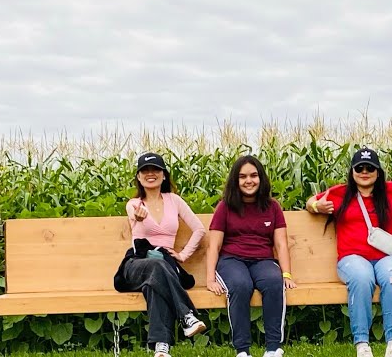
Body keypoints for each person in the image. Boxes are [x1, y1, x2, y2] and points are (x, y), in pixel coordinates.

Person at [305, 148, 392, 357]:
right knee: (361, 277)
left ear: (378, 171)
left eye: (370, 168)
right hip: (352, 258)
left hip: (388, 256)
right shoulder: (339, 193)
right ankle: (362, 344)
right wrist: (316, 206)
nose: (364, 172)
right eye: (359, 167)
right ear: (352, 171)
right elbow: (310, 201)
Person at [112, 152, 209, 357]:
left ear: (164, 175)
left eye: (155, 170)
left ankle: (161, 347)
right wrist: (138, 217)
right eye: (144, 171)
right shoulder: (134, 204)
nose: (150, 174)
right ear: (138, 177)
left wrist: (182, 255)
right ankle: (187, 315)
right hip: (137, 262)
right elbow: (133, 213)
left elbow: (199, 229)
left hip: (165, 263)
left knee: (154, 283)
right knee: (157, 267)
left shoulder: (174, 201)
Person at [204, 155, 295, 357]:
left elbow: (281, 243)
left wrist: (286, 274)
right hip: (231, 260)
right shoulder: (225, 207)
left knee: (273, 282)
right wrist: (210, 278)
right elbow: (214, 245)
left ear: (261, 178)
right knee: (240, 285)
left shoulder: (272, 207)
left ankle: (273, 348)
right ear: (236, 181)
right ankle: (242, 350)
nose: (249, 181)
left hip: (263, 260)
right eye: (243, 176)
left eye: (254, 175)